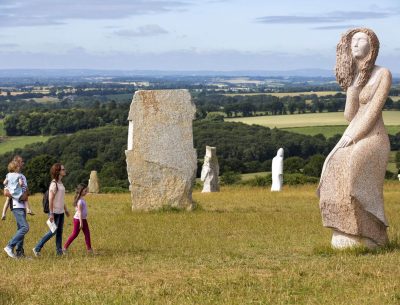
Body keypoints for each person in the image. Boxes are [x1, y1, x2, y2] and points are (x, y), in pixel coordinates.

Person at [318, 28, 392, 249]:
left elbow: (371, 114)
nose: (356, 44)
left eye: (361, 40)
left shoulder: (383, 74)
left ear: (372, 46)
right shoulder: (356, 77)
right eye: (353, 41)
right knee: (332, 165)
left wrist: (352, 136)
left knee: (351, 168)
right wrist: (354, 87)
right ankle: (344, 230)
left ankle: (370, 234)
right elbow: (350, 115)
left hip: (373, 137)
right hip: (353, 133)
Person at [33, 163, 70, 256]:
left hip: (61, 211)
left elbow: (61, 198)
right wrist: (51, 214)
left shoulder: (60, 183)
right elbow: (50, 200)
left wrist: (65, 210)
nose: (64, 170)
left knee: (59, 232)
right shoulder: (54, 184)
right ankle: (37, 248)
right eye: (63, 169)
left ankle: (59, 252)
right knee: (53, 231)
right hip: (54, 211)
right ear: (58, 172)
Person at [3, 156, 30, 258]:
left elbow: (27, 191)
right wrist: (19, 195)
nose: (23, 164)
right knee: (25, 227)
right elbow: (6, 192)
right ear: (16, 164)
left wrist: (25, 194)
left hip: (22, 204)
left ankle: (20, 253)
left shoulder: (22, 176)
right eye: (21, 162)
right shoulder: (11, 176)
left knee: (20, 228)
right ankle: (9, 246)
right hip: (16, 205)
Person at [63, 183, 92, 254]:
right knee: (74, 234)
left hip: (83, 219)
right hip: (78, 220)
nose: (86, 192)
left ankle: (89, 249)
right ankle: (64, 248)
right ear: (81, 191)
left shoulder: (82, 199)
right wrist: (81, 223)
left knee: (87, 234)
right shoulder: (80, 201)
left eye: (86, 190)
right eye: (85, 191)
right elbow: (79, 212)